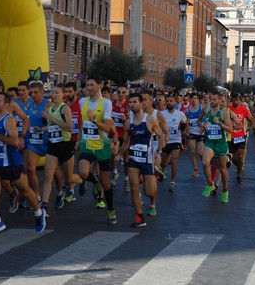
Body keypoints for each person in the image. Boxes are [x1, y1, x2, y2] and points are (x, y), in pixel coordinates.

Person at [0, 92, 47, 235]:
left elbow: (15, 142)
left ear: (6, 105)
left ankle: (38, 212)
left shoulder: (9, 120)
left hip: (11, 163)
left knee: (26, 192)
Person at [77, 76, 117, 225]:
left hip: (102, 146)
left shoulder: (106, 103)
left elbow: (107, 128)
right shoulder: (82, 102)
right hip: (86, 144)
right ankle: (94, 183)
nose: (89, 88)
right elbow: (83, 124)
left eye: (92, 85)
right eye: (87, 85)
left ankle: (111, 210)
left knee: (105, 183)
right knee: (82, 173)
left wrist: (94, 120)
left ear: (99, 85)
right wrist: (78, 140)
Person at [121, 93, 163, 227]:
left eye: (135, 102)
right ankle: (139, 216)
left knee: (149, 191)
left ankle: (154, 173)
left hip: (148, 159)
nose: (132, 104)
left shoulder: (150, 120)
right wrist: (119, 155)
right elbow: (126, 143)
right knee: (134, 188)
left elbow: (161, 137)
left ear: (141, 104)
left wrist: (158, 152)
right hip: (134, 158)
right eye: (130, 102)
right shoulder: (128, 122)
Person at [41, 84, 82, 209]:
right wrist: (41, 129)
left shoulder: (65, 109)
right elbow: (53, 126)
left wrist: (51, 118)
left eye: (57, 93)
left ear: (63, 95)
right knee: (48, 176)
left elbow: (69, 128)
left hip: (65, 145)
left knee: (69, 179)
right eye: (52, 93)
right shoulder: (50, 109)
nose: (54, 95)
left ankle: (83, 180)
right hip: (53, 145)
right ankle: (44, 205)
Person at [201, 91, 233, 203]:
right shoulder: (208, 111)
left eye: (215, 99)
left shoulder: (224, 112)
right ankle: (210, 184)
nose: (213, 101)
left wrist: (220, 124)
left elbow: (230, 129)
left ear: (220, 101)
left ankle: (225, 191)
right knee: (205, 163)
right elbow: (205, 122)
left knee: (223, 169)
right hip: (210, 142)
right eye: (212, 99)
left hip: (221, 143)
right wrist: (203, 127)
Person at [159, 95, 187, 192]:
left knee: (174, 159)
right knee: (162, 163)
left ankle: (172, 182)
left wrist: (185, 130)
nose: (169, 102)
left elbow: (185, 123)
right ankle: (162, 169)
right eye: (167, 101)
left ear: (175, 102)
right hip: (166, 140)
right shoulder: (161, 114)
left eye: (171, 101)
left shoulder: (180, 114)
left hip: (176, 140)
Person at [228, 92, 255, 184]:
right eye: (234, 100)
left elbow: (250, 118)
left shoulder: (243, 109)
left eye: (237, 100)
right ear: (231, 100)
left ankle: (239, 174)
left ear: (240, 100)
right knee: (234, 158)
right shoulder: (228, 109)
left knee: (240, 156)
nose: (235, 102)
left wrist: (253, 124)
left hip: (240, 136)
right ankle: (238, 165)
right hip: (230, 137)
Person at [185, 93, 204, 177]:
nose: (193, 100)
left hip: (201, 133)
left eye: (195, 98)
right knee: (192, 151)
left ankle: (205, 161)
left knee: (200, 152)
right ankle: (195, 170)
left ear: (198, 100)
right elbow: (186, 120)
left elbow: (207, 118)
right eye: (192, 98)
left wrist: (204, 127)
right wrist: (187, 127)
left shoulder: (202, 108)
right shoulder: (187, 110)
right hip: (192, 133)